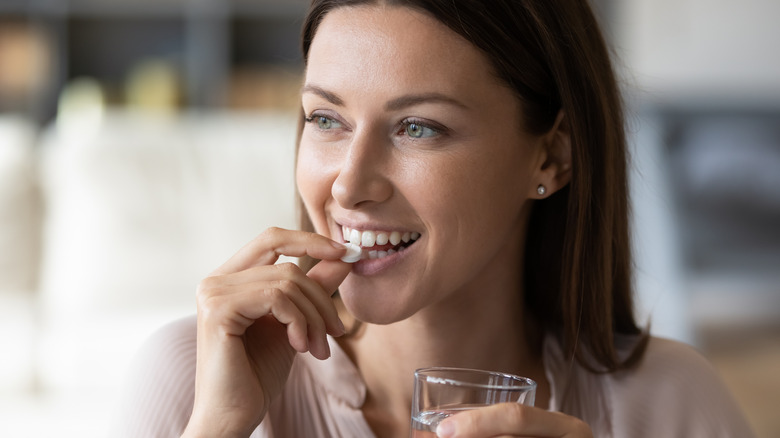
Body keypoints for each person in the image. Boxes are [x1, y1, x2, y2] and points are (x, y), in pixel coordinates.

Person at [116, 1, 755, 437]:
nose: (349, 183)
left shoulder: (672, 404)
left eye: (418, 127)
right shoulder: (195, 378)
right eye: (326, 118)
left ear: (552, 155)